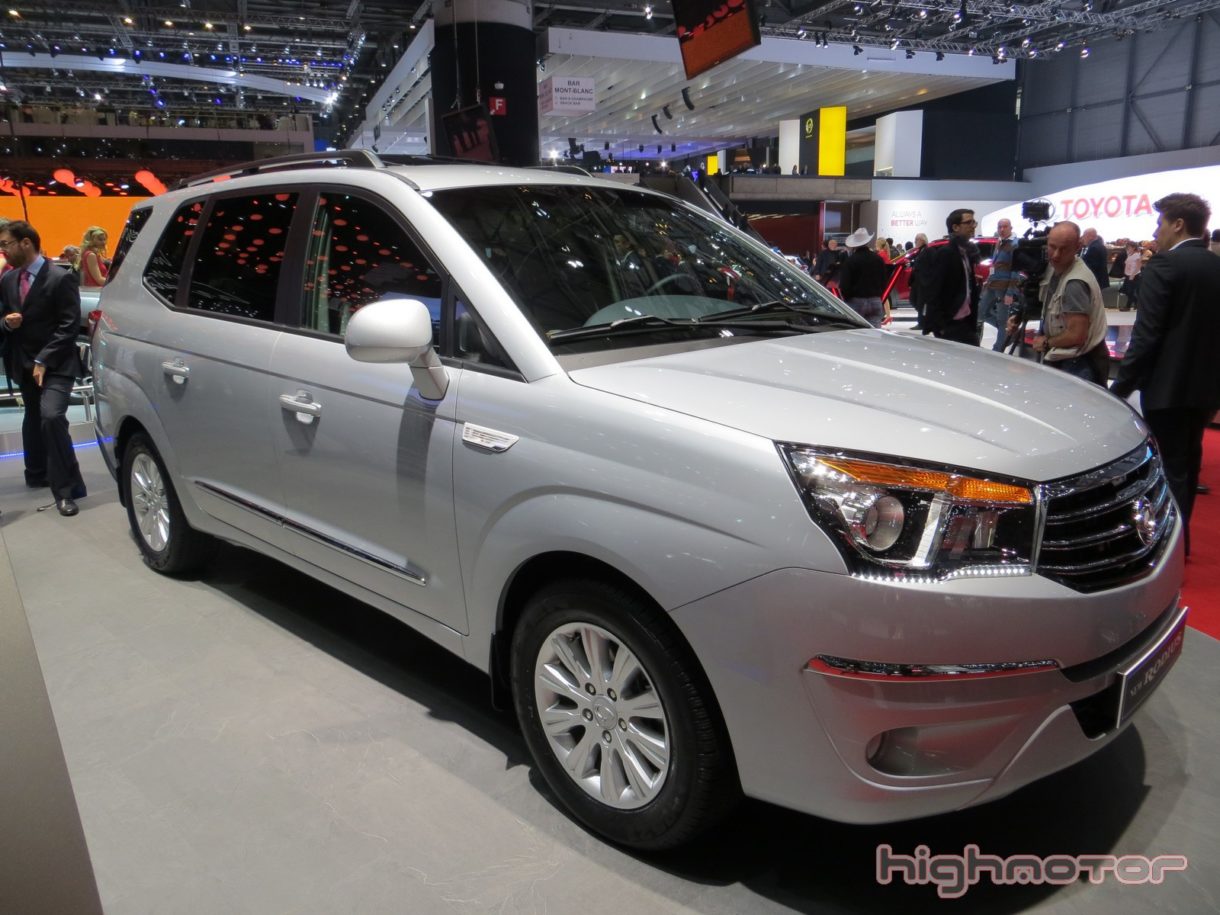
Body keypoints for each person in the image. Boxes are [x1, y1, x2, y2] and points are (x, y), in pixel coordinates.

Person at [1111, 193, 1220, 553]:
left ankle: (1166, 547)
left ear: (1178, 224)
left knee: (1166, 469)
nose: (1156, 230)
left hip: (1167, 387)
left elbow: (1147, 333)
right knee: (1187, 462)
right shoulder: (1214, 264)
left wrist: (1120, 387)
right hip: (1206, 388)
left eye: (1160, 223)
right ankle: (1179, 541)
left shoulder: (1165, 264)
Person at [0, 220, 87, 516]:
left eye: (6, 244)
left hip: (57, 363)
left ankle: (66, 491)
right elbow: (2, 316)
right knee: (34, 416)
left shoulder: (60, 278)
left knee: (51, 416)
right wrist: (6, 323)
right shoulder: (9, 280)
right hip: (23, 363)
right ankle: (37, 472)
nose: (3, 251)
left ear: (25, 243)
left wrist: (44, 359)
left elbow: (69, 326)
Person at [1011, 221, 1109, 385]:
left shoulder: (1075, 283)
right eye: (1052, 247)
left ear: (1078, 247)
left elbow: (1076, 335)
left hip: (1079, 363)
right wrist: (1019, 316)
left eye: (1064, 249)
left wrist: (1046, 342)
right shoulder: (1055, 268)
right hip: (1068, 359)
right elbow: (1047, 305)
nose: (1056, 255)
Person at [919, 209, 980, 344]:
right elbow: (934, 290)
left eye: (974, 222)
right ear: (955, 227)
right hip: (950, 324)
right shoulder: (946, 253)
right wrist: (940, 327)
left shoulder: (966, 252)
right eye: (968, 222)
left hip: (966, 321)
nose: (973, 226)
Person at [976, 218, 1020, 351]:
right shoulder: (999, 242)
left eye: (1005, 226)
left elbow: (1015, 270)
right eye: (999, 226)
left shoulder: (1015, 244)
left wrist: (1010, 292)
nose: (1002, 229)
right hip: (992, 285)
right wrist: (989, 279)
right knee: (981, 312)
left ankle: (998, 349)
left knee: (1002, 320)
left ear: (1011, 228)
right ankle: (1007, 332)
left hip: (1004, 288)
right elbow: (994, 265)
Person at [837, 228, 888, 327]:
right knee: (875, 332)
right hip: (875, 300)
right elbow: (884, 281)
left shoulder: (850, 261)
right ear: (867, 242)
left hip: (855, 301)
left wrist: (847, 298)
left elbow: (844, 285)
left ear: (854, 245)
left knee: (856, 331)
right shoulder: (878, 259)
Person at [1118, 240, 1141, 310]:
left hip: (1134, 275)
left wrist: (1133, 275)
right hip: (1128, 274)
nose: (1128, 249)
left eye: (1129, 247)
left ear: (1133, 247)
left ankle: (1128, 306)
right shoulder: (1129, 254)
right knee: (1126, 290)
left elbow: (1138, 266)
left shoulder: (1137, 255)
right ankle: (1136, 303)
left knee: (1130, 291)